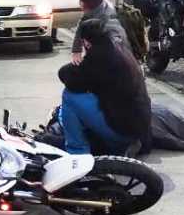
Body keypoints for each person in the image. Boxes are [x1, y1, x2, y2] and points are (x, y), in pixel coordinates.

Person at [57, 19, 152, 156]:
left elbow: (65, 75)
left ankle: (78, 151)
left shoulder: (99, 57)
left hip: (122, 131)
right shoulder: (120, 48)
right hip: (139, 129)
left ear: (86, 43)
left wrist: (81, 60)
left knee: (69, 95)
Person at [70, 0, 129, 66]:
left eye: (82, 1)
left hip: (113, 63)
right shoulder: (96, 8)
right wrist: (76, 50)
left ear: (86, 2)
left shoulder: (105, 18)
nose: (80, 4)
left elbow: (109, 50)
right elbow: (81, 26)